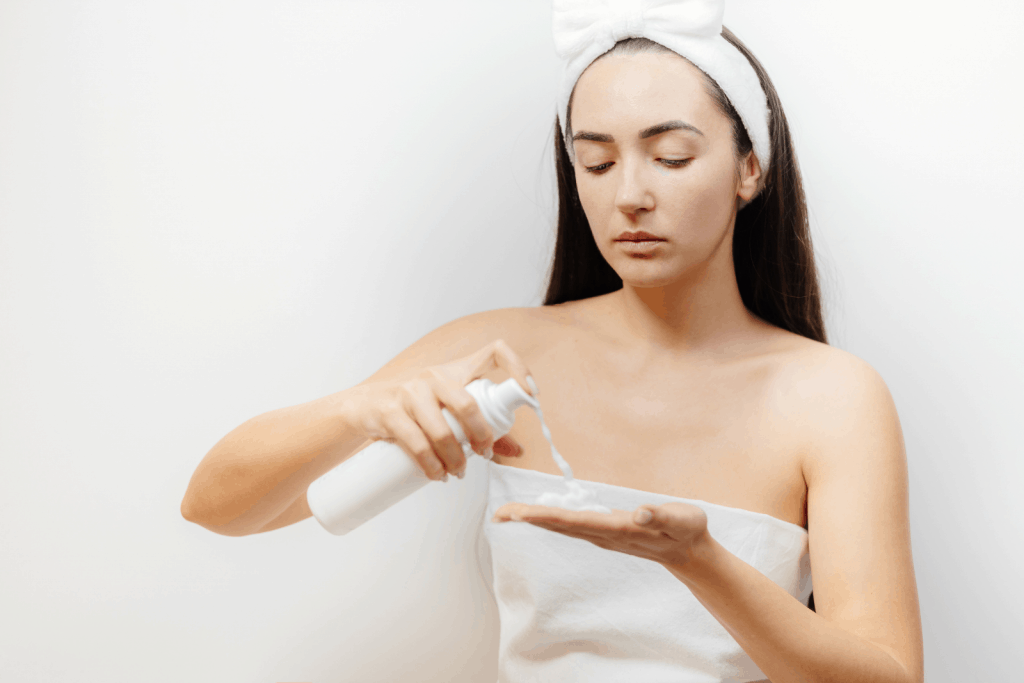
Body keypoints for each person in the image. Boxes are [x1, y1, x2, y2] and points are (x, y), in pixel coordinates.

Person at [181, 2, 924, 681]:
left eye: (670, 156)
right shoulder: (502, 358)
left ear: (749, 166)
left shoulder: (831, 397)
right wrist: (363, 411)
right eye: (596, 162)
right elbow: (216, 505)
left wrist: (697, 560)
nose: (628, 192)